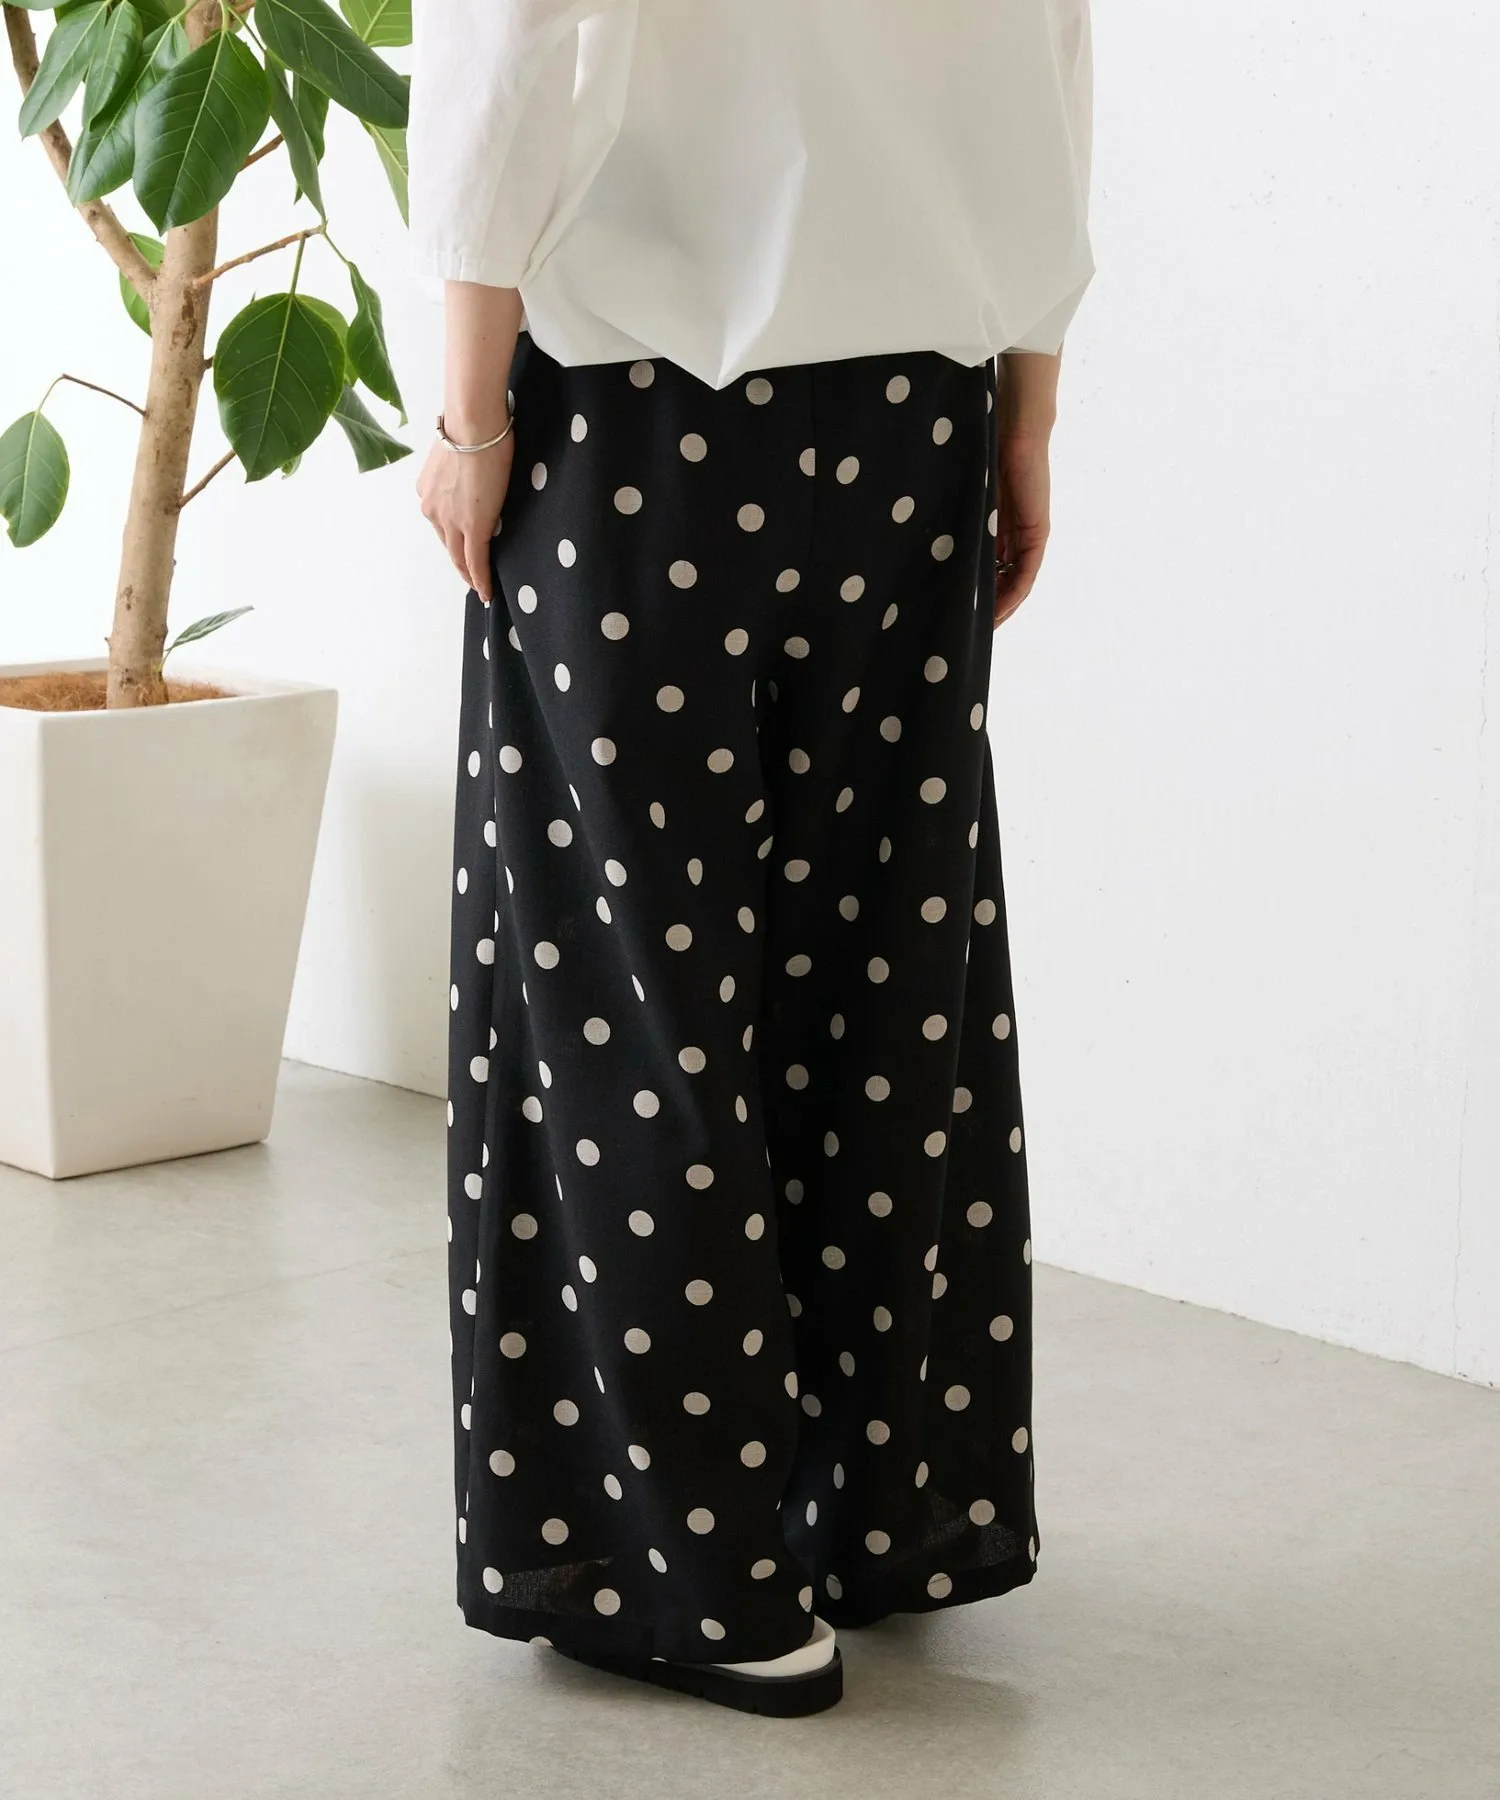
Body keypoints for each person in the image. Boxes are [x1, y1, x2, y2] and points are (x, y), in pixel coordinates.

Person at [408, 0, 1094, 1718]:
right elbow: (1048, 50)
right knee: (884, 974)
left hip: (634, 424)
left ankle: (690, 1577)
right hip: (918, 416)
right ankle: (877, 1517)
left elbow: (514, 37)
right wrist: (1030, 398)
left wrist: (468, 409)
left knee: (623, 996)